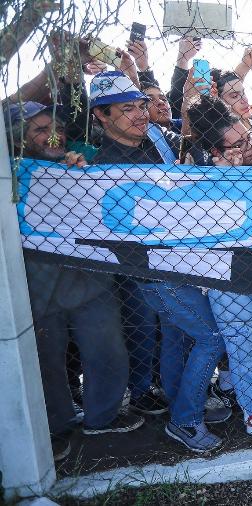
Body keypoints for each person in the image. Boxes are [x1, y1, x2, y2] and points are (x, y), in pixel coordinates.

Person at [89, 70, 231, 452]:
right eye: (126, 109)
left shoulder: (148, 143)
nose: (140, 114)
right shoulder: (104, 165)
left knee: (176, 336)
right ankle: (185, 420)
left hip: (174, 262)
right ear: (101, 116)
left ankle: (184, 401)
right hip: (151, 271)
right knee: (212, 335)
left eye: (141, 105)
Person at [6, 101, 142, 461]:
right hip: (38, 284)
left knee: (107, 349)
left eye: (56, 127)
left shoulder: (79, 161)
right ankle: (55, 426)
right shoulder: (12, 171)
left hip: (89, 280)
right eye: (38, 129)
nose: (52, 135)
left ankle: (103, 416)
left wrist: (79, 173)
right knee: (46, 358)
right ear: (19, 140)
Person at [186, 95, 252, 441]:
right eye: (238, 144)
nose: (249, 147)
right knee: (242, 343)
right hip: (227, 275)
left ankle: (251, 396)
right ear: (215, 152)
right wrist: (225, 181)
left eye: (248, 137)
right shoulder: (199, 181)